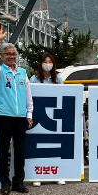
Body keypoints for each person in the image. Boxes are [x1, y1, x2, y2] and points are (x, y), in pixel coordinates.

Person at [0, 24, 33, 195]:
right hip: (4, 116)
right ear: (2, 56)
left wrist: (29, 113)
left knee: (20, 151)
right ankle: (5, 183)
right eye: (7, 54)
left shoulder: (22, 73)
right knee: (4, 150)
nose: (11, 57)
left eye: (13, 54)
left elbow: (28, 95)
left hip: (21, 117)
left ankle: (19, 181)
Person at [30, 53, 65, 187]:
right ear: (40, 63)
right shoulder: (34, 79)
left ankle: (57, 174)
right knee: (39, 145)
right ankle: (38, 174)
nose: (48, 64)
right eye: (45, 61)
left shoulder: (59, 79)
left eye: (50, 61)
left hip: (55, 116)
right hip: (38, 116)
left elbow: (66, 96)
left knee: (54, 145)